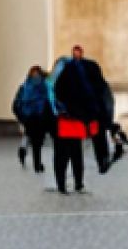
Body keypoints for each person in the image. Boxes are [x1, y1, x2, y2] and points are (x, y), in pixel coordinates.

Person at [55, 45, 113, 175]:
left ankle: (100, 161)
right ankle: (75, 177)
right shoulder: (72, 69)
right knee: (76, 144)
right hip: (79, 111)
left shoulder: (74, 69)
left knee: (91, 137)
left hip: (83, 110)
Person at [11, 66, 51, 173]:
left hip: (29, 117)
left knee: (30, 137)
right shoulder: (44, 87)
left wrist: (21, 117)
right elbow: (48, 102)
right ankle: (37, 164)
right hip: (38, 117)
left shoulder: (24, 87)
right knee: (37, 142)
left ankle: (25, 153)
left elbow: (16, 104)